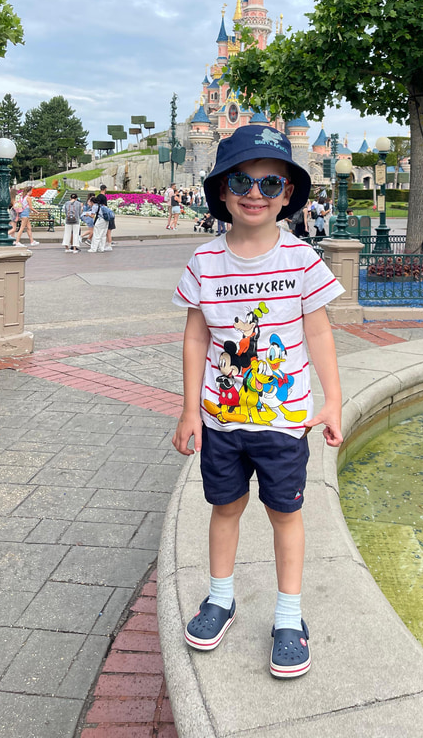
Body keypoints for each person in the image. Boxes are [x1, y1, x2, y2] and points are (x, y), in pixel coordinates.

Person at [171, 124, 345, 679]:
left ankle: (289, 616)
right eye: (242, 181)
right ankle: (220, 598)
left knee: (285, 514)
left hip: (284, 421)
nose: (255, 193)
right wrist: (186, 409)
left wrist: (334, 399)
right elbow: (197, 335)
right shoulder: (204, 261)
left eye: (271, 184)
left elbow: (319, 334)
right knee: (224, 508)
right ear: (222, 190)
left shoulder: (301, 259)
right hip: (222, 421)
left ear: (288, 195)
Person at [97, 185, 115, 249]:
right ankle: (109, 244)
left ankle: (101, 244)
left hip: (99, 215)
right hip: (105, 215)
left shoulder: (98, 196)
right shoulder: (104, 197)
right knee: (107, 231)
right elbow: (105, 206)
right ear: (105, 189)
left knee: (102, 231)